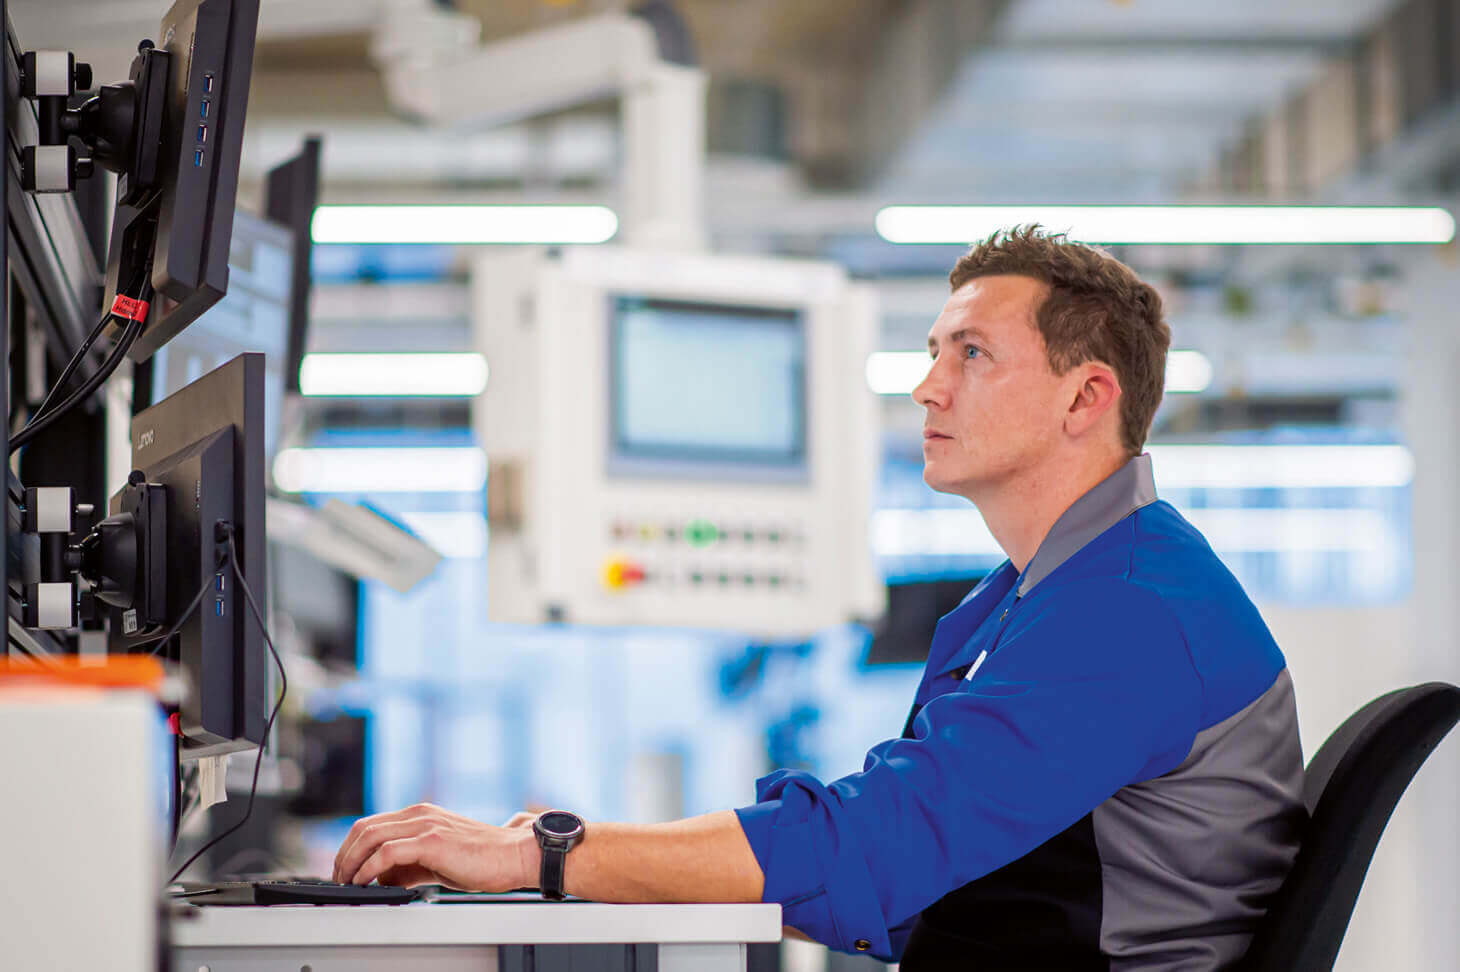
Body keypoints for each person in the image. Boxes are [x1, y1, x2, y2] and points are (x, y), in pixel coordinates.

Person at [332, 226, 1306, 970]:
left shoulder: (1127, 610)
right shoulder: (1024, 599)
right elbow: (895, 878)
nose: (927, 387)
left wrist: (544, 853)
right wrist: (599, 860)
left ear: (1084, 398)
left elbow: (874, 852)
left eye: (969, 353)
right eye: (932, 351)